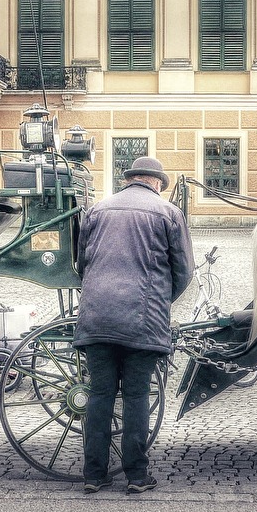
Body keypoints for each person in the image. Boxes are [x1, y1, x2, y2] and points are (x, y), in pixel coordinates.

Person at [73, 155, 192, 494]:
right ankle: (137, 476)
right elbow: (183, 272)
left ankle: (94, 475)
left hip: (96, 318)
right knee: (137, 397)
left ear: (130, 179)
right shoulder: (169, 213)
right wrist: (159, 300)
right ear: (157, 183)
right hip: (143, 320)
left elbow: (83, 263)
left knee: (99, 394)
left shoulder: (96, 210)